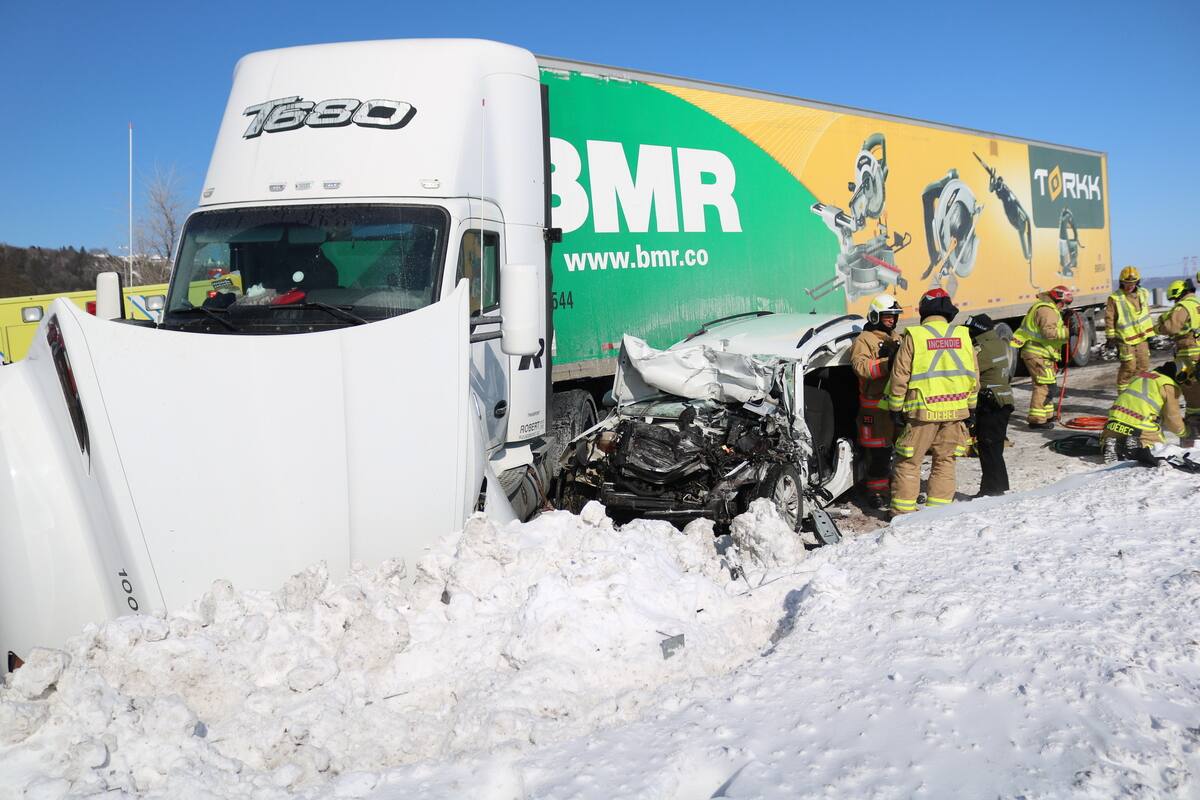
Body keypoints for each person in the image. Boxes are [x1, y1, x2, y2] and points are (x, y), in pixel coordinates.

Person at [885, 288, 979, 516]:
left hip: (922, 412)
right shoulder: (963, 335)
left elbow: (900, 376)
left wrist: (895, 407)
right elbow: (974, 376)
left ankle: (903, 512)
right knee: (945, 461)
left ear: (923, 310)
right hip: (956, 410)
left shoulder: (914, 336)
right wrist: (972, 407)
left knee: (909, 462)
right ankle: (939, 511)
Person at [850, 293, 903, 508]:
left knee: (900, 450)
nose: (892, 319)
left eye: (894, 316)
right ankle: (876, 492)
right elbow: (860, 367)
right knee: (878, 452)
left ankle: (899, 489)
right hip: (875, 406)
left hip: (896, 404)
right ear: (875, 316)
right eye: (887, 315)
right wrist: (886, 363)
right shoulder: (865, 340)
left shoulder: (897, 337)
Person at [964, 314, 1014, 495]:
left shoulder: (981, 349)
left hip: (991, 404)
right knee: (993, 448)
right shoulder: (998, 343)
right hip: (1003, 401)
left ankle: (993, 490)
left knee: (989, 447)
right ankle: (994, 487)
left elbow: (967, 371)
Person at [1101, 362, 1188, 464]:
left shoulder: (1142, 376)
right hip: (1139, 428)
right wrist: (1186, 433)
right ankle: (1137, 445)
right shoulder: (1168, 385)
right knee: (1158, 447)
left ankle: (1113, 443)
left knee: (1111, 439)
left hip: (1113, 424)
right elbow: (1172, 419)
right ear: (1179, 376)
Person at [1011, 285, 1071, 429]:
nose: (1065, 307)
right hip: (1036, 353)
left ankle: (1047, 415)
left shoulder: (1049, 309)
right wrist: (1068, 331)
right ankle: (1037, 420)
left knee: (1049, 384)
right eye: (1065, 304)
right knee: (1043, 385)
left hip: (1042, 353)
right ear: (1059, 301)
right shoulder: (1047, 310)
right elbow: (1049, 333)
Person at [1155, 279, 1200, 446]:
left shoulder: (1183, 307)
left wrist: (1158, 327)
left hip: (1189, 357)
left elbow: (1171, 328)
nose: (1175, 302)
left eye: (1174, 299)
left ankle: (1191, 439)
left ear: (1178, 294)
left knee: (1193, 398)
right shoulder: (1197, 304)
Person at [1103, 266, 1153, 391]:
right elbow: (1109, 318)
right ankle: (1123, 396)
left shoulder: (1143, 293)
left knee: (1143, 367)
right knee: (1129, 368)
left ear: (1137, 282)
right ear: (1122, 282)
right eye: (1127, 283)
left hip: (1142, 338)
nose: (1130, 285)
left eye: (1133, 283)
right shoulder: (1115, 298)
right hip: (1126, 340)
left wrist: (1151, 333)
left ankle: (1137, 394)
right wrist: (1110, 338)